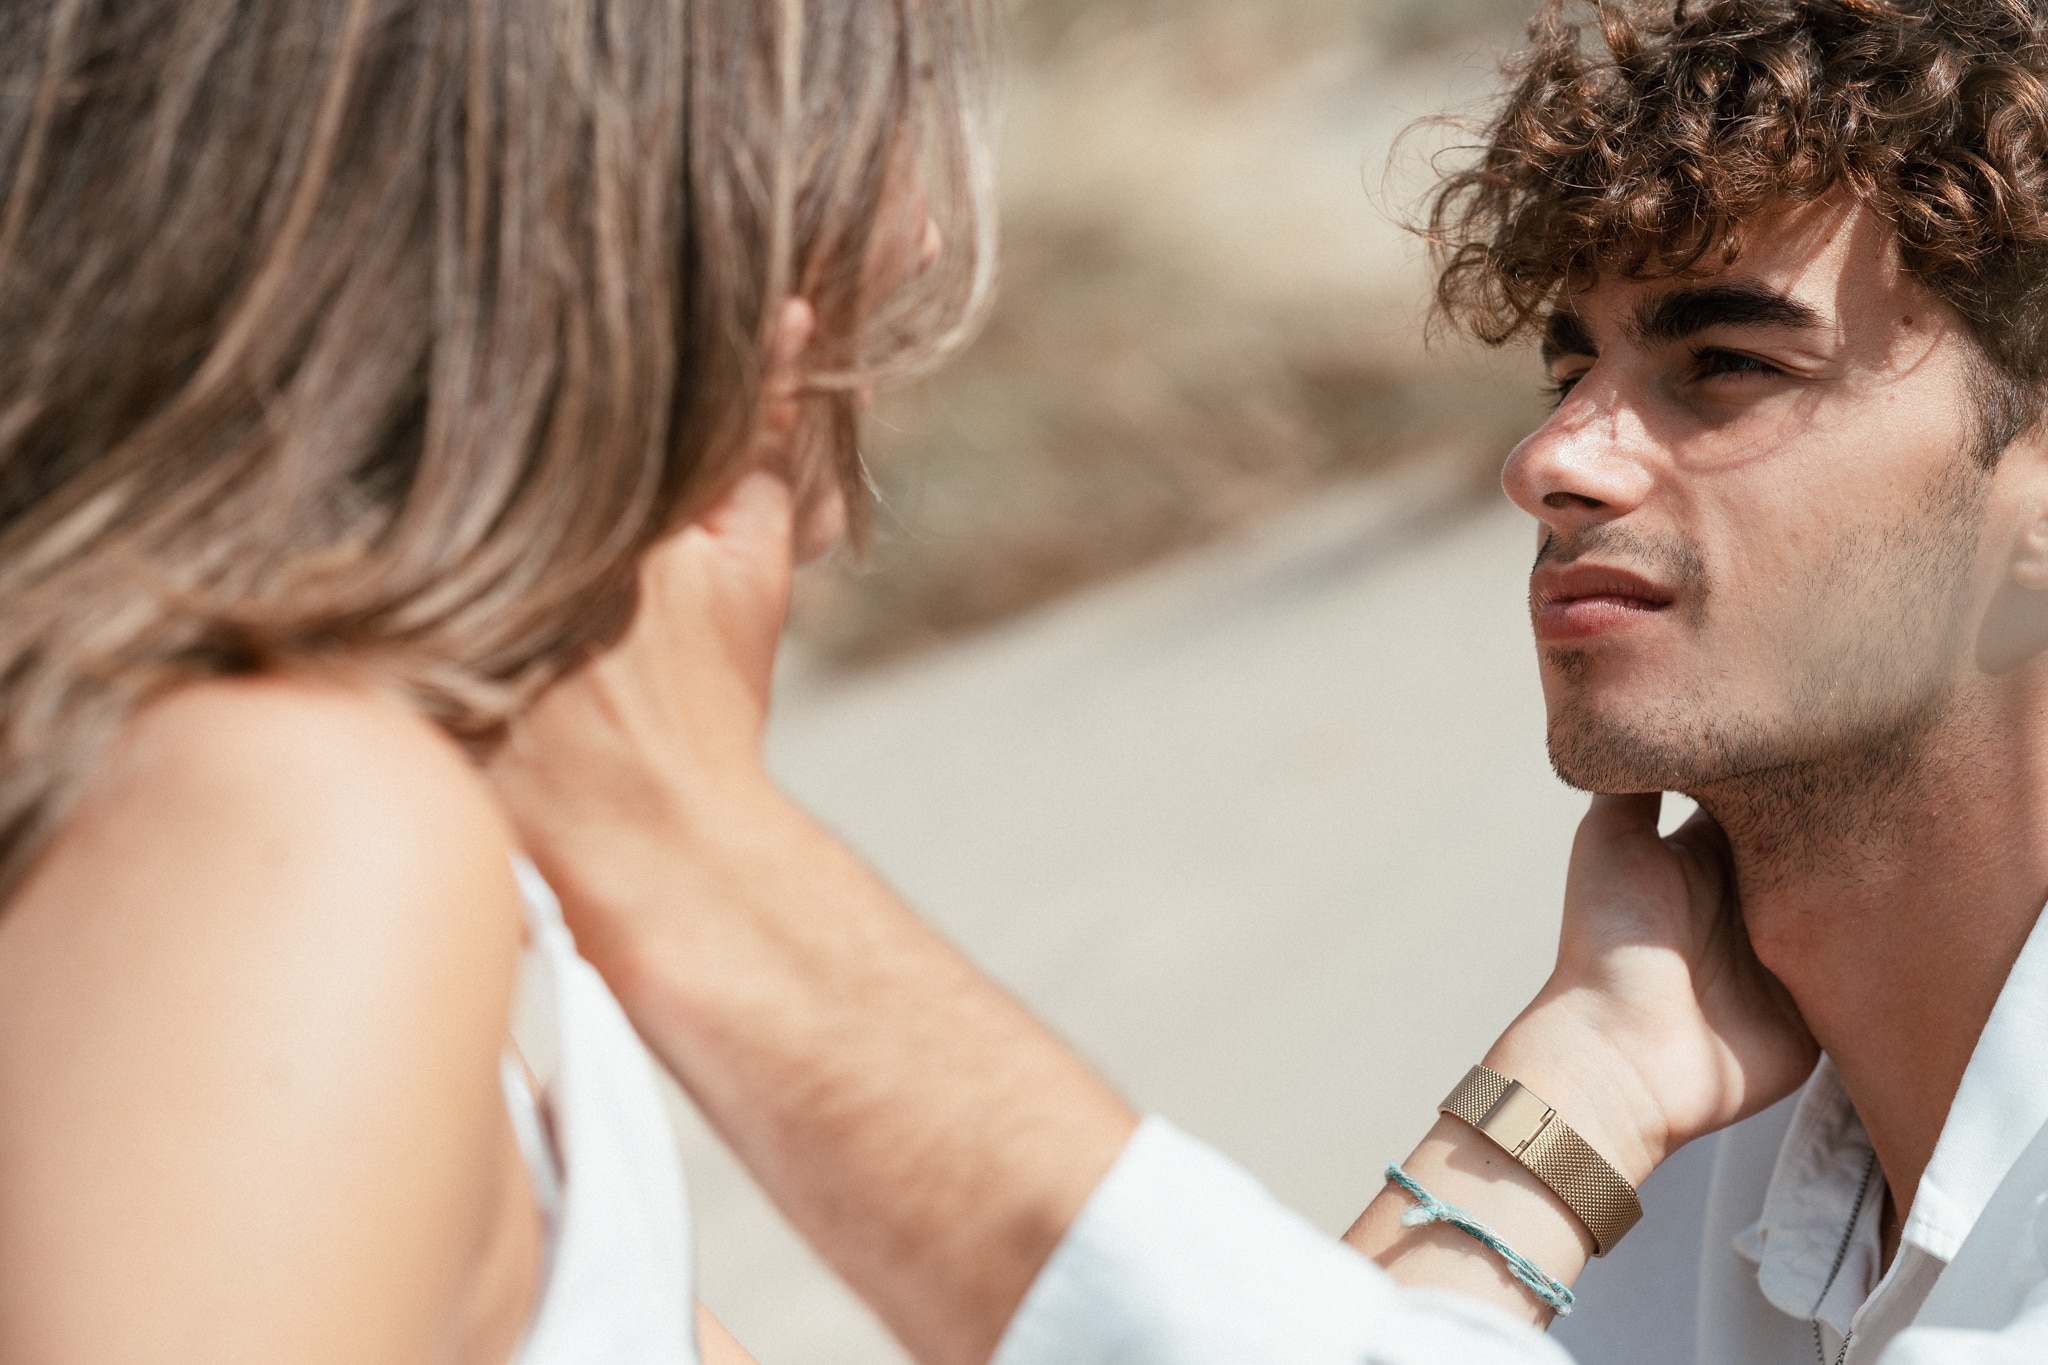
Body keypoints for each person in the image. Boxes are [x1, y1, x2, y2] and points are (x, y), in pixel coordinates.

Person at [488, 0, 2048, 1362]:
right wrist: (1575, 1087)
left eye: (1729, 366)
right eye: (1570, 366)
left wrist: (680, 835)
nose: (1554, 457)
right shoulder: (1719, 1132)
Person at [0, 0, 994, 1360]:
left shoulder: (333, 817)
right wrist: (704, 851)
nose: (919, 230)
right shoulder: (290, 826)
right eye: (829, 100)